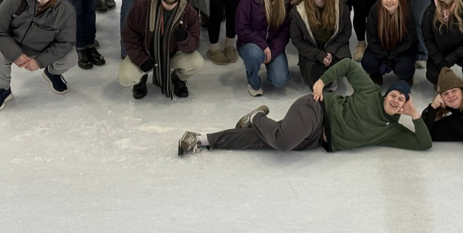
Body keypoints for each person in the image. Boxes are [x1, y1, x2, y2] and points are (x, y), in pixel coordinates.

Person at [177, 60, 430, 156]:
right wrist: (322, 80)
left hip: (318, 141)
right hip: (316, 110)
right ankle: (255, 116)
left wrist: (415, 115)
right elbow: (349, 66)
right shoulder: (371, 92)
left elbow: (423, 143)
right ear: (386, 94)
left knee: (264, 140)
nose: (395, 100)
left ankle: (202, 139)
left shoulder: (391, 130)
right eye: (393, 95)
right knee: (283, 141)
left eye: (401, 100)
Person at [0, 0, 76, 112]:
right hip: (15, 44)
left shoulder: (66, 10)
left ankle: (52, 73)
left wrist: (40, 61)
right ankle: (3, 90)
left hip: (45, 47)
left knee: (72, 57)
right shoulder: (13, 0)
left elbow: (65, 42)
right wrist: (15, 54)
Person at [118, 0, 203, 100]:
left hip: (172, 55)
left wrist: (185, 39)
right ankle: (141, 79)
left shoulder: (189, 12)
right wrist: (141, 60)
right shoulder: (142, 6)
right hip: (145, 52)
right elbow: (129, 36)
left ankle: (178, 79)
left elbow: (194, 43)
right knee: (126, 78)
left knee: (197, 63)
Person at [236, 0, 292, 96]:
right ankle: (253, 83)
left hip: (273, 44)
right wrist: (263, 45)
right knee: (254, 54)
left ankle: (273, 66)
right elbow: (241, 28)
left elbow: (285, 32)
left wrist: (273, 50)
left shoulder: (286, 0)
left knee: (279, 80)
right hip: (251, 44)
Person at [289, 0, 352, 88]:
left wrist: (331, 51)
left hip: (335, 48)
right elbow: (297, 40)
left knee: (344, 66)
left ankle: (331, 76)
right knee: (316, 78)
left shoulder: (339, 4)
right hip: (312, 51)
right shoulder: (299, 10)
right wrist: (318, 54)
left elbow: (346, 32)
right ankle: (326, 78)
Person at [363, 0, 418, 86]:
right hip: (382, 48)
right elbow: (371, 38)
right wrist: (383, 56)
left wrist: (392, 57)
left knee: (404, 68)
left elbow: (409, 40)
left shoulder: (407, 12)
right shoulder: (375, 11)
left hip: (403, 51)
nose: (389, 1)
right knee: (368, 63)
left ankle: (407, 76)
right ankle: (375, 74)